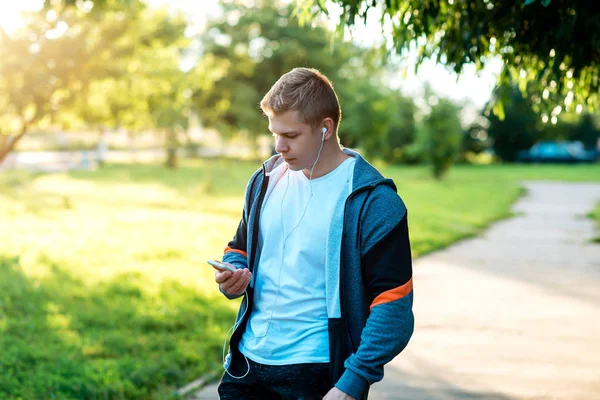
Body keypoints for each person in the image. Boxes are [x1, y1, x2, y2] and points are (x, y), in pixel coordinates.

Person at [213, 67, 414, 400]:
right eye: (274, 133)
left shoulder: (374, 202)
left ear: (325, 128)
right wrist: (233, 270)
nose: (279, 147)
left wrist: (355, 379)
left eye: (290, 136)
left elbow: (394, 305)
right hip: (246, 366)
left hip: (317, 374)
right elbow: (240, 247)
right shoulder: (264, 180)